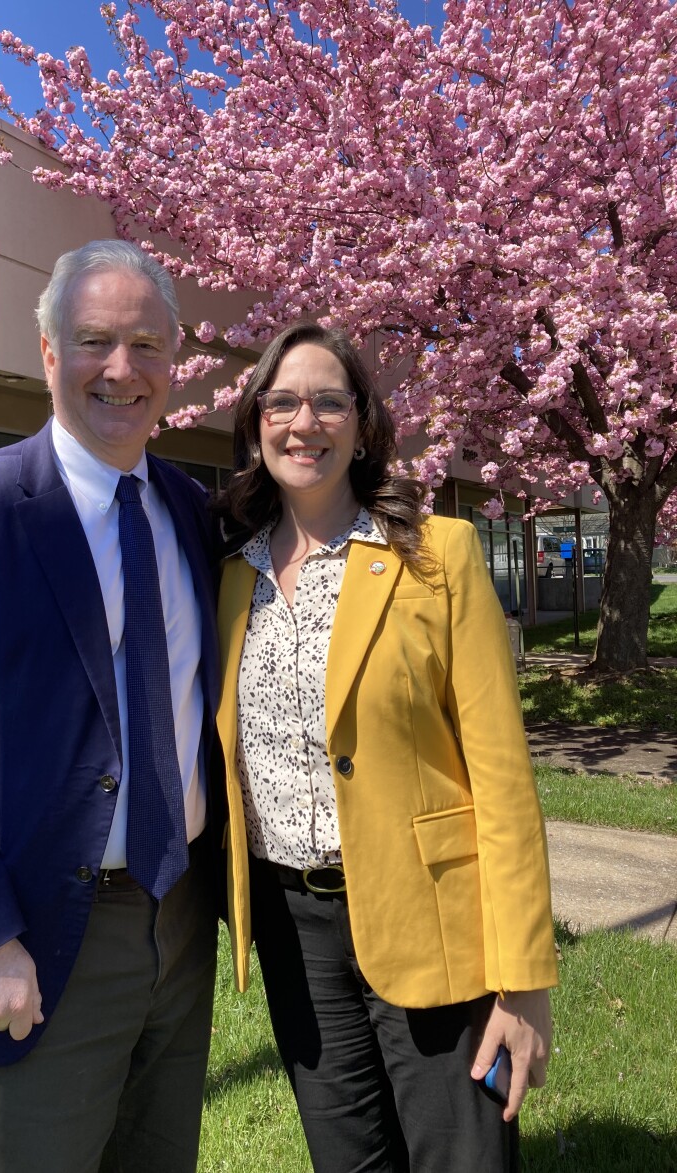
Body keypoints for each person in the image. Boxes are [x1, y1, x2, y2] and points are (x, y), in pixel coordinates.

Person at [0, 240, 221, 1173]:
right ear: (48, 352)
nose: (121, 368)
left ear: (174, 362)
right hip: (32, 939)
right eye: (94, 339)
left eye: (147, 344)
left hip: (179, 926)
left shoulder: (192, 510)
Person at [215, 322, 559, 1172]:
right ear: (257, 422)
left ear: (364, 424)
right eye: (283, 401)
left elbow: (504, 779)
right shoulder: (232, 576)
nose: (306, 422)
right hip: (296, 933)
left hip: (433, 920)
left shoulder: (437, 554)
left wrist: (525, 980)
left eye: (330, 401)